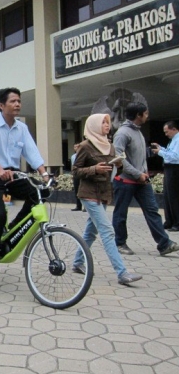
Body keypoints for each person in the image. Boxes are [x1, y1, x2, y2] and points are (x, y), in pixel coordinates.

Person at [0, 87, 49, 276]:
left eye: (19, 101)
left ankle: (13, 227)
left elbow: (32, 152)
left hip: (13, 175)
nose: (17, 104)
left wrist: (45, 174)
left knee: (39, 194)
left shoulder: (21, 127)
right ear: (1, 105)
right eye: (13, 101)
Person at [72, 114, 142, 285]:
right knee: (107, 231)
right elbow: (75, 170)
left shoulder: (109, 146)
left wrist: (118, 166)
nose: (106, 125)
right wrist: (94, 169)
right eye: (102, 122)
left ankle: (77, 262)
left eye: (107, 122)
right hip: (88, 194)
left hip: (103, 194)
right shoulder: (86, 146)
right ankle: (122, 273)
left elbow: (112, 172)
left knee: (91, 231)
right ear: (94, 125)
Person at [112, 102, 179, 256]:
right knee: (121, 214)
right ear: (138, 115)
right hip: (125, 181)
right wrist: (137, 173)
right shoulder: (122, 133)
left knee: (152, 212)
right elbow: (118, 158)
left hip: (142, 181)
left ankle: (164, 244)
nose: (148, 116)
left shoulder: (138, 132)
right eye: (146, 113)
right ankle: (120, 243)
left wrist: (144, 173)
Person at [151, 120, 179, 232]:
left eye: (167, 132)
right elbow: (170, 153)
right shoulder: (173, 140)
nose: (166, 134)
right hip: (169, 168)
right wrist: (161, 148)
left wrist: (160, 152)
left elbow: (176, 157)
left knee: (174, 197)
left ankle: (177, 222)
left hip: (175, 169)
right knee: (167, 196)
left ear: (174, 129)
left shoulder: (178, 140)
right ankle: (170, 221)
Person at [70, 143, 83, 211]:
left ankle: (86, 207)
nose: (76, 148)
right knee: (77, 190)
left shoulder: (83, 155)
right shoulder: (73, 156)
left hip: (82, 174)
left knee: (83, 190)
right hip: (76, 174)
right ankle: (78, 206)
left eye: (77, 147)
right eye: (75, 147)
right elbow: (73, 166)